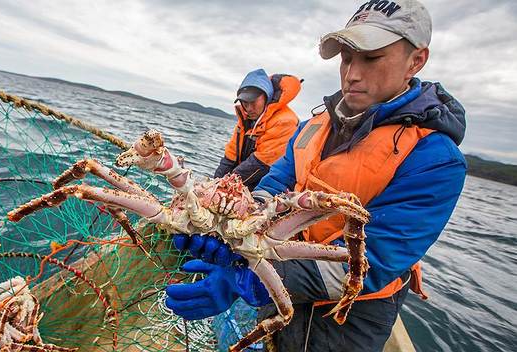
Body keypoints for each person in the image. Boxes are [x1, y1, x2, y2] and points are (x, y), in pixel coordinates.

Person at [166, 0, 467, 351]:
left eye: (371, 58)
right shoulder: (312, 126)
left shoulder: (436, 159)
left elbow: (375, 261)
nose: (352, 73)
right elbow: (275, 184)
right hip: (272, 270)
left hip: (347, 321)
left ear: (416, 60)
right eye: (347, 57)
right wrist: (233, 236)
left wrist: (253, 277)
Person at [214, 68, 301, 190]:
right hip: (245, 182)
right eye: (244, 102)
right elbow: (230, 156)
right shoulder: (245, 120)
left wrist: (223, 186)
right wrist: (214, 184)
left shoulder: (285, 121)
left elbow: (260, 164)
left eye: (253, 102)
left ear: (266, 96)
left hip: (270, 188)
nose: (249, 108)